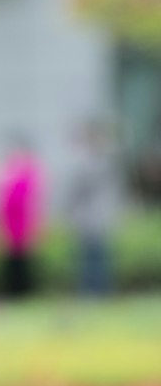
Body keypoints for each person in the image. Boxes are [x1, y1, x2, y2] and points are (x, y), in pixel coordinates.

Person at [65, 119, 121, 295]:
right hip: (95, 217)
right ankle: (96, 292)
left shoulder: (92, 162)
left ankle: (94, 293)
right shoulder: (104, 161)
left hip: (92, 217)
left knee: (93, 259)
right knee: (94, 258)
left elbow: (76, 190)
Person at [0, 137, 43, 297]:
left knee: (23, 263)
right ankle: (13, 294)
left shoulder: (28, 174)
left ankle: (25, 294)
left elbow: (29, 202)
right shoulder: (5, 174)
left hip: (23, 225)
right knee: (10, 263)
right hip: (8, 226)